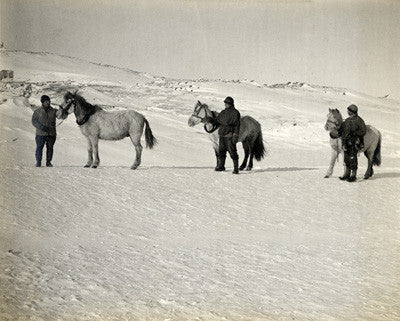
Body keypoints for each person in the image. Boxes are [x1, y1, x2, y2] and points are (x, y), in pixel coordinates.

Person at [31, 95, 64, 167]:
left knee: (50, 148)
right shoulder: (37, 111)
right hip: (40, 134)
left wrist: (61, 110)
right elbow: (34, 121)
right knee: (39, 148)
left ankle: (48, 162)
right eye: (46, 101)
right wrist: (41, 127)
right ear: (42, 102)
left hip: (51, 134)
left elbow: (59, 116)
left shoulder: (54, 111)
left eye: (49, 101)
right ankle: (38, 162)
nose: (48, 103)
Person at [338, 104, 367, 182]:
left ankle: (353, 175)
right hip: (345, 142)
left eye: (349, 110)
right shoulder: (347, 120)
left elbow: (363, 131)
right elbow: (342, 130)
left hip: (354, 142)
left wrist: (355, 133)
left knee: (352, 158)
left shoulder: (359, 120)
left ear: (352, 111)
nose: (347, 112)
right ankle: (347, 174)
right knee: (346, 158)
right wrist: (339, 130)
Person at [214, 96, 241, 174]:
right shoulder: (223, 112)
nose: (224, 104)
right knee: (221, 152)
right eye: (225, 103)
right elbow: (218, 120)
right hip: (222, 134)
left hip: (229, 135)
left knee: (232, 152)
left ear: (229, 104)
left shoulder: (235, 113)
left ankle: (236, 169)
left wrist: (235, 135)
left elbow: (237, 125)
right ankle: (221, 166)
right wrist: (210, 120)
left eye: (225, 103)